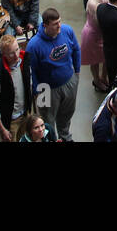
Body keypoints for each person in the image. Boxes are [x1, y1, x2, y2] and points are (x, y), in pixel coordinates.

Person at [24, 8, 81, 141]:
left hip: (69, 81)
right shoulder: (33, 45)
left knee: (67, 113)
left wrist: (77, 72)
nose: (59, 26)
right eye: (55, 24)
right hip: (46, 88)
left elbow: (76, 49)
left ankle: (65, 136)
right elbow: (32, 71)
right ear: (45, 25)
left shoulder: (67, 31)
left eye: (59, 22)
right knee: (46, 120)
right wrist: (37, 91)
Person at [0, 34, 34, 142]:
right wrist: (2, 129)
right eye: (11, 53)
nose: (16, 55)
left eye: (17, 50)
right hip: (11, 121)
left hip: (26, 114)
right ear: (3, 54)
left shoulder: (25, 60)